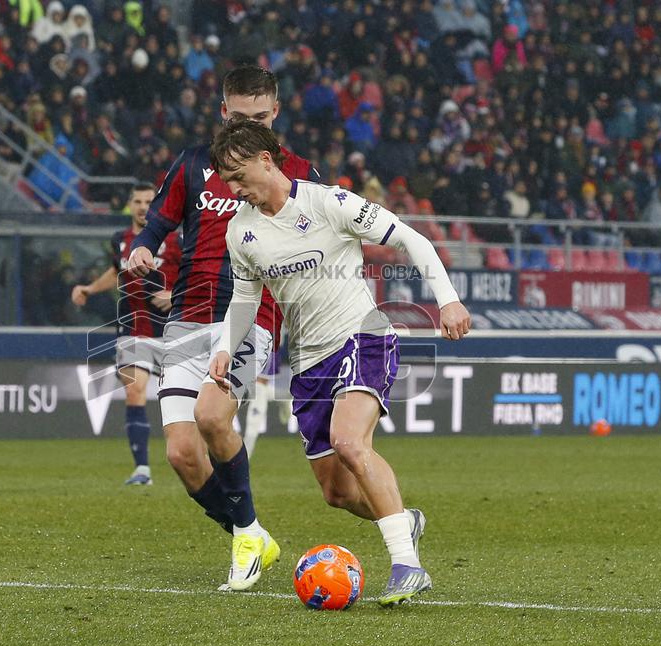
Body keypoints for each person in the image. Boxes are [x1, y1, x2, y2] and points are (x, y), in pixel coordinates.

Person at [206, 120, 472, 606]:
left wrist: (448, 301)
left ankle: (407, 567)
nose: (235, 189)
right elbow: (245, 298)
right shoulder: (240, 230)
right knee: (338, 493)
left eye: (240, 176)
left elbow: (412, 239)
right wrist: (225, 346)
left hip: (361, 337)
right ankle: (404, 520)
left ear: (267, 159)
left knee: (351, 441)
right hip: (306, 364)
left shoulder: (328, 203)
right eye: (228, 181)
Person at [128, 65, 319, 591]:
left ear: (275, 114)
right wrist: (142, 246)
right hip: (188, 314)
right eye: (239, 117)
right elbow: (156, 224)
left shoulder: (298, 171)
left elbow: (321, 242)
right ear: (222, 113)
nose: (248, 127)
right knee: (182, 455)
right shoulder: (192, 164)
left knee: (213, 417)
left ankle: (246, 543)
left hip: (253, 316)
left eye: (259, 117)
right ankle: (250, 532)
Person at [72, 182, 181, 485]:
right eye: (137, 201)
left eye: (149, 201)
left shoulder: (176, 239)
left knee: (188, 404)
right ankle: (142, 469)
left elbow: (197, 274)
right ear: (130, 205)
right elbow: (115, 270)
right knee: (134, 392)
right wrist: (90, 289)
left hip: (175, 331)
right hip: (133, 328)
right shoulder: (120, 240)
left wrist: (175, 294)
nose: (143, 206)